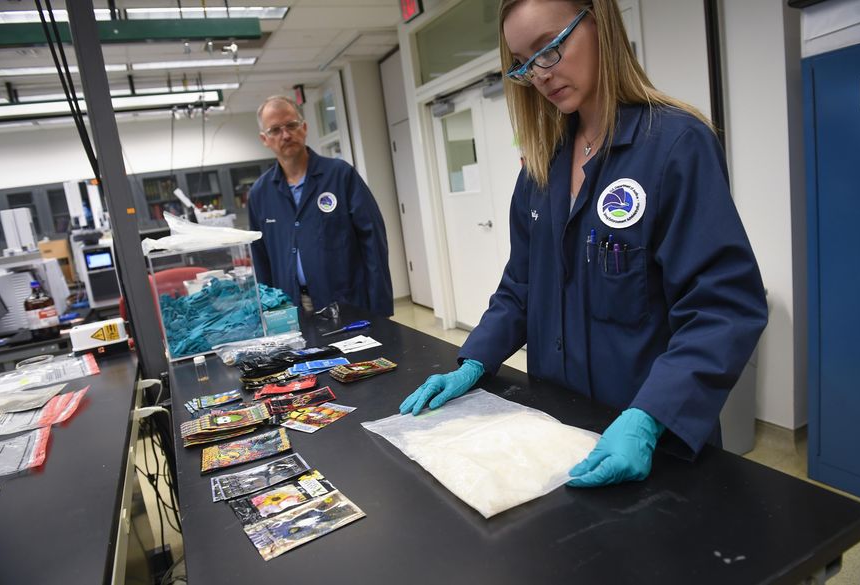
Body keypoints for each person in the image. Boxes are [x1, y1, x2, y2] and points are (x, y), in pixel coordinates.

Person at [399, 0, 768, 487]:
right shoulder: (541, 167)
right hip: (557, 431)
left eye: (550, 48)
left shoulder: (675, 145)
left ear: (600, 24)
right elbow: (520, 287)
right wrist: (473, 362)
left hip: (653, 442)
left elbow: (723, 308)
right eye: (525, 64)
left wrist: (650, 418)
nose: (541, 74)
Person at [248, 95, 393, 316]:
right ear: (264, 139)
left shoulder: (340, 176)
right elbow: (260, 261)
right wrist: (268, 313)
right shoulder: (260, 194)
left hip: (347, 302)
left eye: (291, 125)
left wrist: (380, 307)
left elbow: (373, 242)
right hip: (291, 309)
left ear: (304, 128)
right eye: (275, 130)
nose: (285, 135)